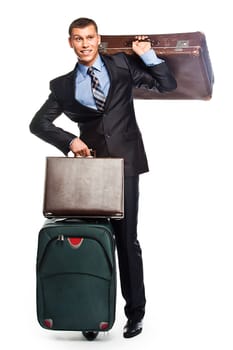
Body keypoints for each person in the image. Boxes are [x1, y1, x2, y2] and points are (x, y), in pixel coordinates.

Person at [30, 17, 177, 339]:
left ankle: (134, 314)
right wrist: (71, 141)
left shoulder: (122, 66)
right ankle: (91, 313)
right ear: (70, 42)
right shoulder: (63, 86)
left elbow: (167, 84)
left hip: (125, 167)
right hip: (90, 172)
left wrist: (148, 55)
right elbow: (38, 124)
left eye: (90, 37)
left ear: (99, 40)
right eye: (78, 38)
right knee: (91, 239)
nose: (85, 44)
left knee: (126, 242)